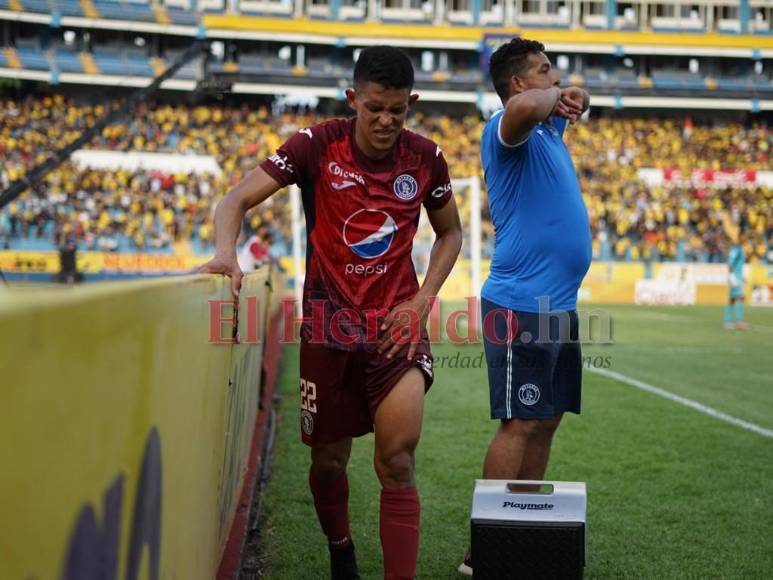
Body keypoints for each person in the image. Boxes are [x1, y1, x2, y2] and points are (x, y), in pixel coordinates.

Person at [200, 46, 462, 580]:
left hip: (396, 329)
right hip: (327, 328)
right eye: (374, 108)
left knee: (397, 461)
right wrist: (226, 253)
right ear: (352, 100)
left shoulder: (426, 157)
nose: (387, 120)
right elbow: (234, 201)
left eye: (398, 110)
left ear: (411, 103)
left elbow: (451, 232)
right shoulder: (316, 145)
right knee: (327, 464)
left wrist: (422, 299)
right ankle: (341, 551)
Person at [459, 38, 591, 576]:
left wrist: (569, 94)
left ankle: (522, 529)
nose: (554, 77)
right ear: (518, 82)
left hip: (558, 305)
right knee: (518, 423)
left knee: (545, 421)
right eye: (543, 70)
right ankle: (485, 546)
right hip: (520, 305)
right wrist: (556, 92)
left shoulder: (548, 130)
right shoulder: (505, 127)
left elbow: (567, 99)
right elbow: (520, 109)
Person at [724, 231, 749, 330]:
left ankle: (728, 321)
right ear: (739, 238)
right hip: (735, 277)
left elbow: (738, 265)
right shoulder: (736, 249)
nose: (745, 239)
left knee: (732, 299)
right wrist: (731, 276)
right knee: (740, 298)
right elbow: (730, 262)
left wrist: (742, 277)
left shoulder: (740, 249)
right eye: (743, 237)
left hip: (738, 277)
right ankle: (739, 322)